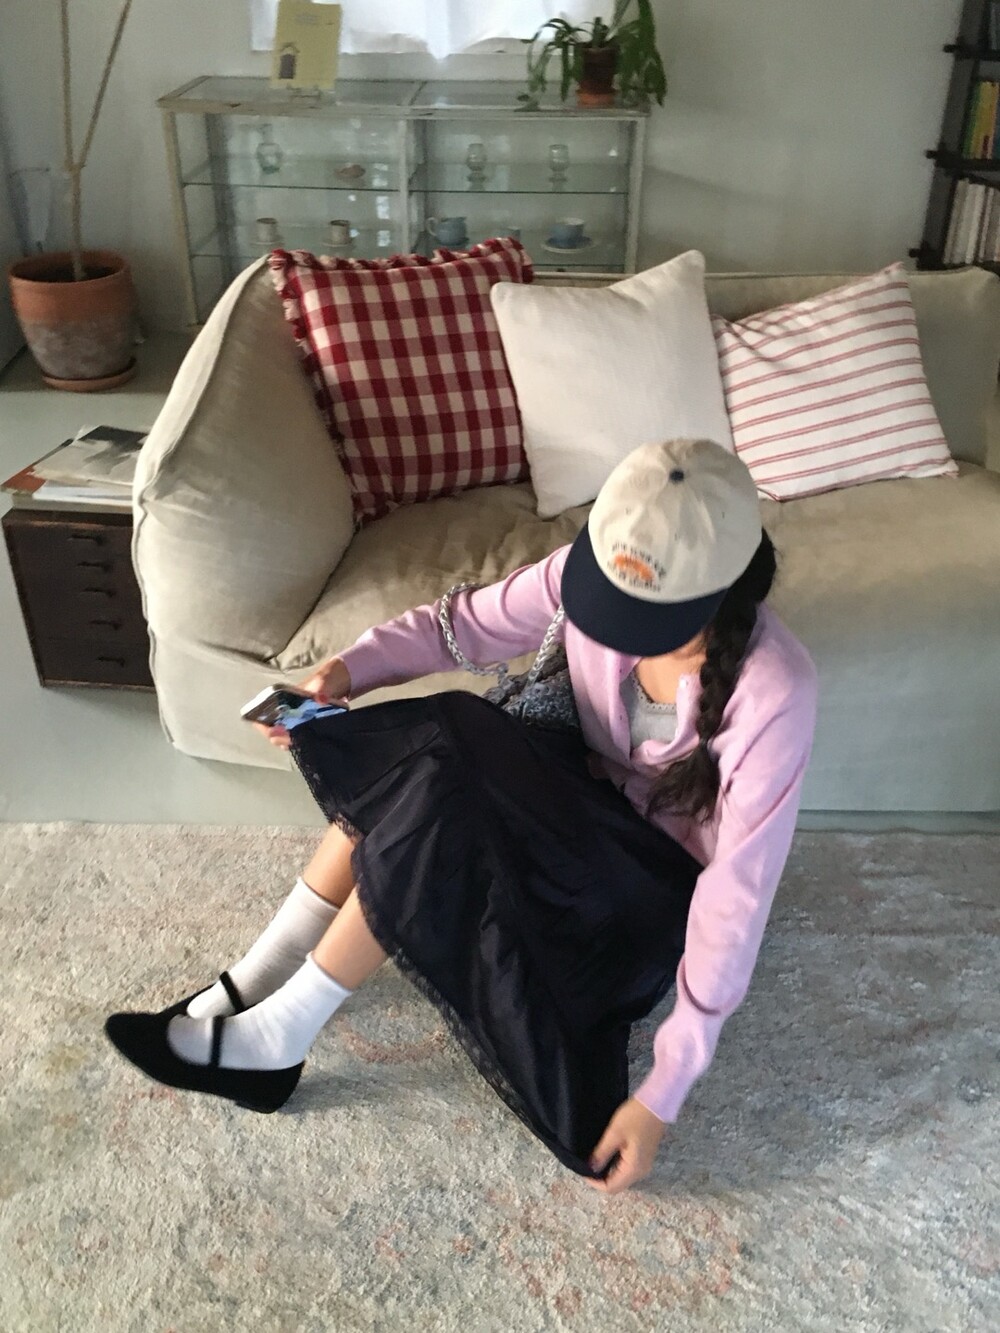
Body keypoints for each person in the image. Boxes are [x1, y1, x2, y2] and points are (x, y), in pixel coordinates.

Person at [105, 437, 818, 1197]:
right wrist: (346, 672)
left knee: (449, 786)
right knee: (442, 751)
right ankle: (261, 982)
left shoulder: (775, 691)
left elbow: (736, 899)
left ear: (719, 592)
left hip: (635, 897)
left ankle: (279, 1031)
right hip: (572, 808)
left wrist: (664, 1090)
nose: (612, 629)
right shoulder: (591, 571)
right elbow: (465, 626)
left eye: (639, 618)